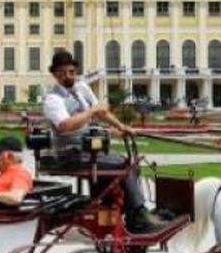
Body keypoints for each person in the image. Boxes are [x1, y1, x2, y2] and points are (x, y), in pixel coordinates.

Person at [41, 50, 165, 233]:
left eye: (71, 71)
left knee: (117, 163)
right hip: (71, 153)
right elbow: (65, 126)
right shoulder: (53, 99)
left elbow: (102, 112)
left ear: (76, 71)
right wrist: (91, 112)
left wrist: (122, 126)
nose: (68, 76)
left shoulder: (82, 88)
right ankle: (137, 215)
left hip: (91, 151)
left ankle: (111, 216)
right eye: (63, 73)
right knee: (124, 165)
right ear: (55, 74)